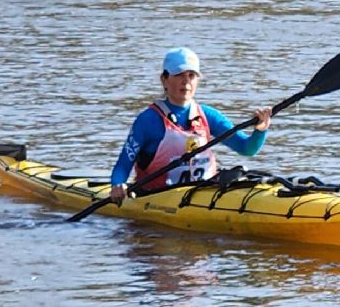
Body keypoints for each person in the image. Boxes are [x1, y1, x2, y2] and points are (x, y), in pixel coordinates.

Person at [108, 48, 273, 202]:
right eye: (179, 75)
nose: (186, 82)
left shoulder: (209, 116)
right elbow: (122, 166)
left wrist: (260, 130)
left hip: (205, 194)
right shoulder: (148, 120)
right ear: (164, 79)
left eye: (191, 75)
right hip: (158, 197)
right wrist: (118, 185)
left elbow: (247, 149)